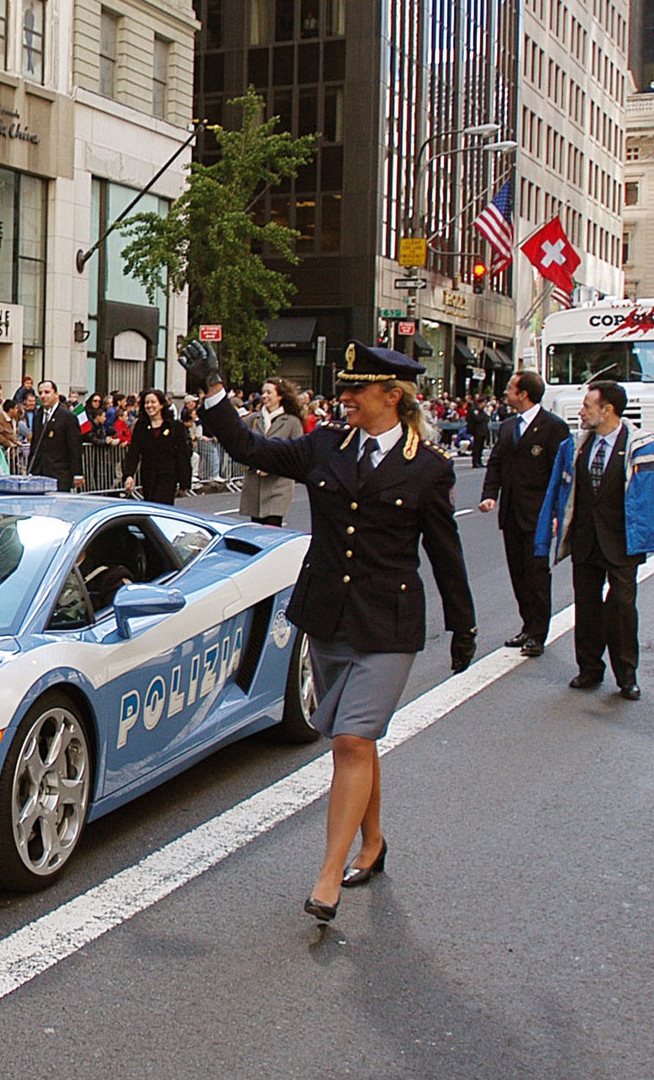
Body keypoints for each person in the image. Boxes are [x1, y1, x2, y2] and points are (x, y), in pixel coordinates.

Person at [181, 339, 476, 925]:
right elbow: (248, 446)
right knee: (352, 736)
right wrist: (211, 390)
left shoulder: (428, 467)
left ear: (392, 397)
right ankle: (373, 842)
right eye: (342, 390)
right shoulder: (324, 446)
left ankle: (327, 875)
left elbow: (446, 553)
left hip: (388, 623)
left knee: (348, 741)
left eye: (355, 391)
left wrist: (463, 625)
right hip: (329, 615)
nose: (343, 399)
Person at [536, 380, 654, 701]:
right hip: (585, 541)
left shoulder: (646, 447)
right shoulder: (573, 447)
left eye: (587, 406)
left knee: (621, 608)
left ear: (608, 410)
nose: (581, 412)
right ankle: (589, 669)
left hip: (622, 542)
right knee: (586, 608)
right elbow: (555, 494)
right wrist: (545, 538)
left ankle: (627, 675)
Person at [477, 370, 571, 656]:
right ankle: (527, 625)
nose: (506, 392)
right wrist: (489, 495)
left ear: (524, 394)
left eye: (510, 388)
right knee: (518, 572)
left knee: (537, 574)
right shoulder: (507, 427)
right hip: (511, 513)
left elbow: (562, 474)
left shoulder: (554, 427)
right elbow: (495, 464)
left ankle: (538, 634)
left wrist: (558, 513)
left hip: (539, 514)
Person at [240, 378, 306, 525]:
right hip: (255, 486)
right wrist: (254, 464)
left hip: (278, 486)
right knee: (255, 532)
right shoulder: (253, 419)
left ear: (280, 396)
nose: (265, 396)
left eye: (269, 392)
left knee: (271, 529)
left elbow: (298, 454)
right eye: (263, 392)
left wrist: (273, 466)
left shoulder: (292, 422)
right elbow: (244, 447)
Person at [121, 388, 192, 504]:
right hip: (148, 476)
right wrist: (129, 475)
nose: (149, 406)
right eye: (146, 403)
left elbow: (182, 454)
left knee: (162, 507)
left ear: (161, 405)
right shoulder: (141, 426)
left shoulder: (174, 426)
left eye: (153, 402)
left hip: (167, 477)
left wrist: (185, 481)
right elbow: (133, 452)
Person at [27, 380, 82, 492]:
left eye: (47, 392)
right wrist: (31, 470)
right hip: (40, 473)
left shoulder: (67, 417)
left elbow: (75, 447)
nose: (43, 396)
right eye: (40, 393)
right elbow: (35, 445)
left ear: (56, 394)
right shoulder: (38, 416)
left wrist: (77, 473)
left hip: (59, 474)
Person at [466, 394, 492, 468]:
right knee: (477, 447)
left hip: (483, 431)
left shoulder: (482, 411)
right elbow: (477, 419)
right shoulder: (475, 410)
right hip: (477, 431)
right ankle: (475, 461)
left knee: (481, 447)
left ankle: (479, 460)